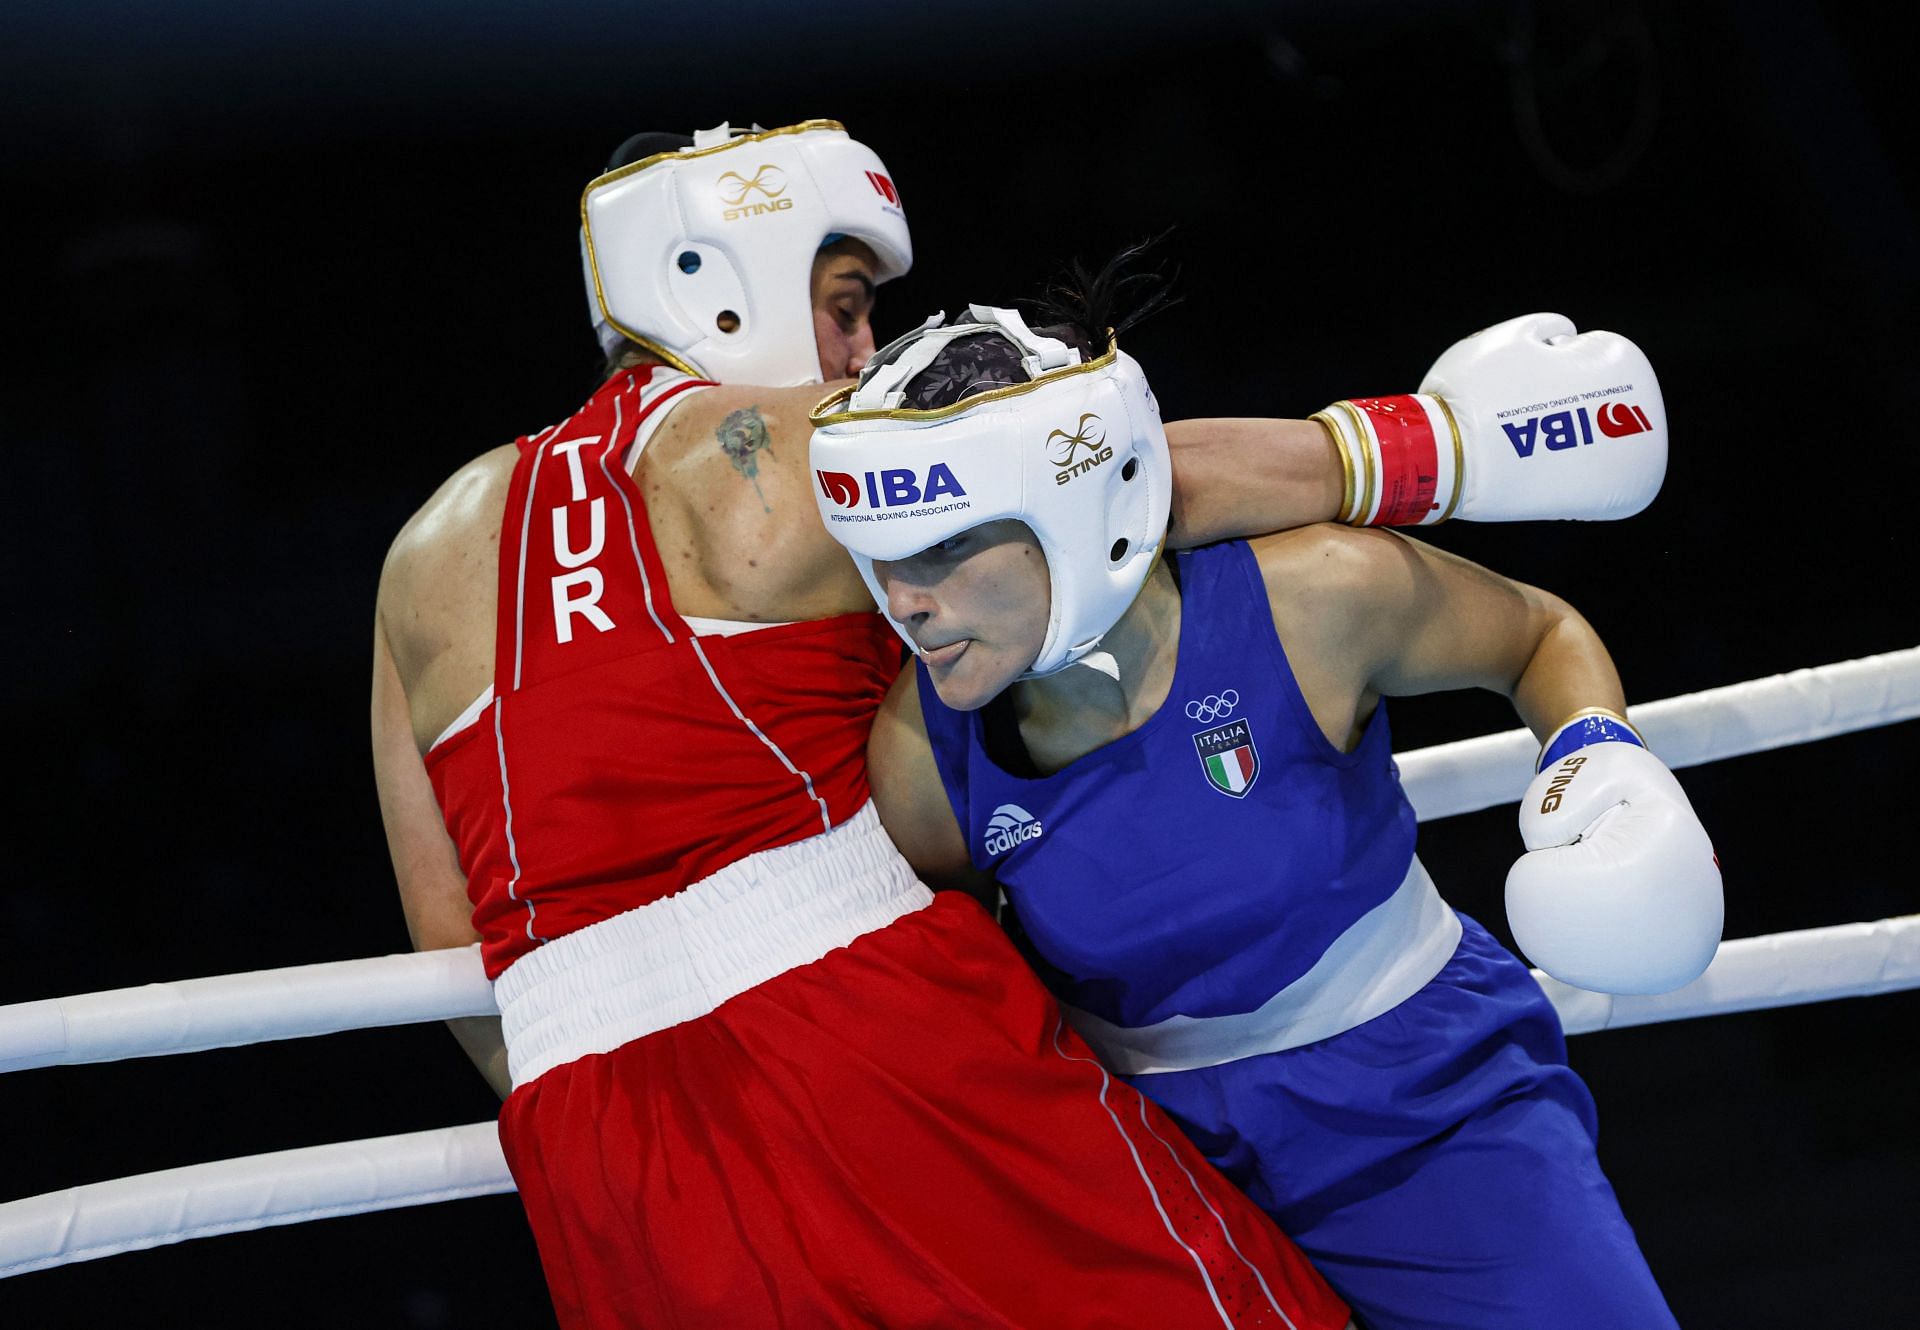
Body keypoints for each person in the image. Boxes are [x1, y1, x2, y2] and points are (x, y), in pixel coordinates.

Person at [371, 120, 1666, 1327]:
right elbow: (1097, 465)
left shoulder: (421, 552)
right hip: (864, 1031)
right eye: (841, 307)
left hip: (595, 1145)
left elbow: (457, 940)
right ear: (723, 283)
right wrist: (1433, 445)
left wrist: (629, 1091)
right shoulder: (764, 451)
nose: (857, 352)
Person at [813, 284, 1720, 1329]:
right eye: (879, 557)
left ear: (1067, 519)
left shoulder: (1313, 598)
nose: (904, 600)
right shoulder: (924, 753)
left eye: (940, 548)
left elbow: (1536, 635)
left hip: (1425, 1105)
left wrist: (1600, 764)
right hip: (1150, 1167)